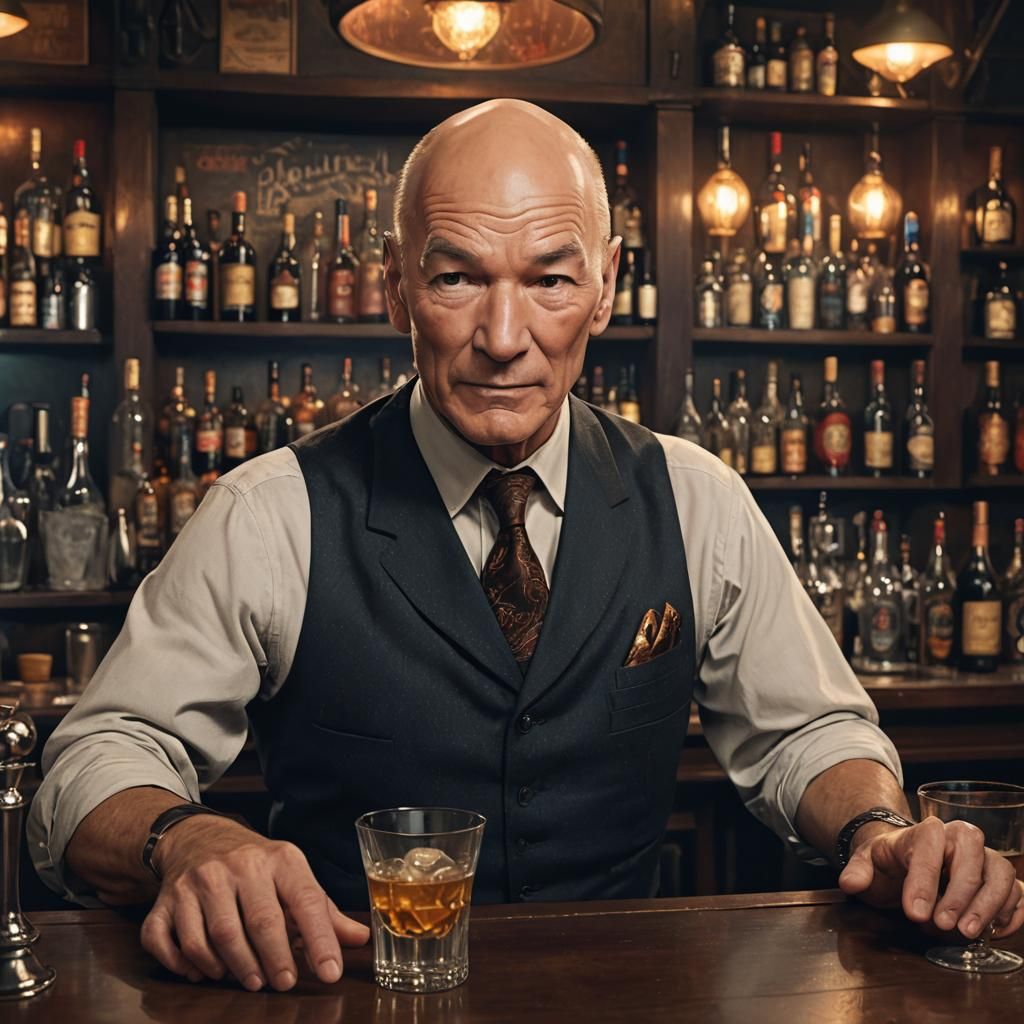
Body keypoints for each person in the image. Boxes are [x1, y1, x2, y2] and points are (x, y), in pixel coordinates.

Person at [30, 100, 1023, 993]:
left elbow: (806, 733)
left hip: (623, 1000)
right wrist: (183, 838)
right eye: (457, 277)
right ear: (395, 287)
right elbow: (91, 763)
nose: (504, 336)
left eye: (550, 279)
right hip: (351, 995)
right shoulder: (270, 512)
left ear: (606, 286)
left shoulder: (696, 498)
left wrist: (877, 829)